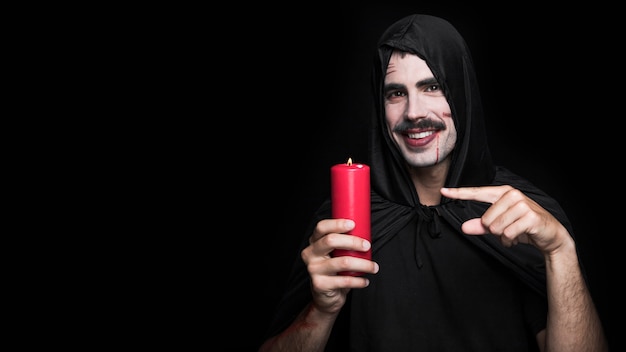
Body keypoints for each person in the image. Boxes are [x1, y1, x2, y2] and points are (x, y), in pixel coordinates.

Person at [258, 14, 608, 352]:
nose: (413, 112)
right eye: (396, 93)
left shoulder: (522, 213)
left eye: (433, 87)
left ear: (462, 92)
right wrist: (320, 311)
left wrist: (561, 253)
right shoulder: (342, 223)